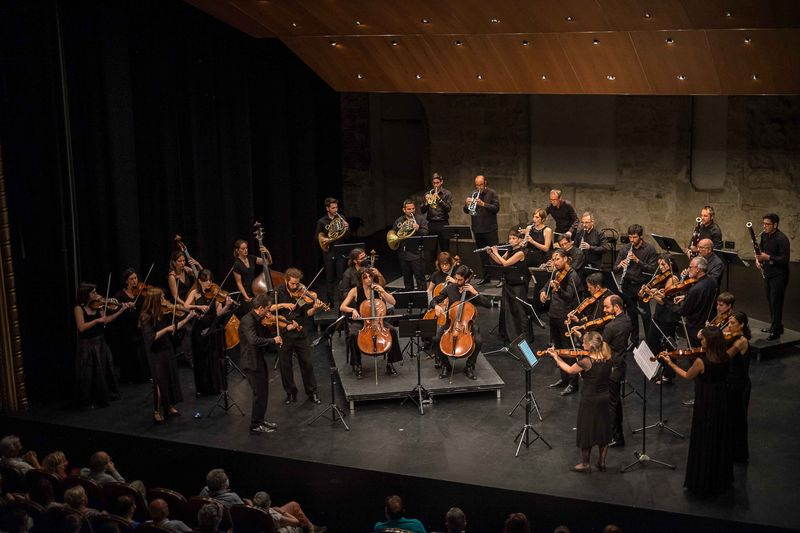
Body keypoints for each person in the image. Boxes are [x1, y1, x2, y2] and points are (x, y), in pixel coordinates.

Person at [658, 327, 733, 498]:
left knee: (704, 437)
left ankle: (702, 479)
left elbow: (686, 375)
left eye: (704, 339)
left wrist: (670, 363)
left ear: (710, 341)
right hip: (721, 399)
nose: (701, 342)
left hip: (706, 400)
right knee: (718, 436)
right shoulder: (726, 356)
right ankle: (719, 478)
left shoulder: (701, 362)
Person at [545, 331, 612, 472]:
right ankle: (602, 463)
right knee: (603, 430)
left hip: (590, 400)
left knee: (586, 430)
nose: (582, 344)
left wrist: (556, 357)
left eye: (584, 343)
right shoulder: (607, 357)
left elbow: (569, 370)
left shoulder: (586, 362)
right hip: (605, 398)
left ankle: (585, 464)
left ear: (589, 346)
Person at [139, 287, 196, 423]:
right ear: (155, 300)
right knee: (159, 381)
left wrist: (188, 317)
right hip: (155, 352)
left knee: (170, 377)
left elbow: (175, 327)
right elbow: (150, 338)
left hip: (167, 348)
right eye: (162, 298)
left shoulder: (163, 313)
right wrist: (166, 329)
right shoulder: (146, 317)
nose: (164, 300)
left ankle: (169, 406)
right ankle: (157, 410)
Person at [73, 282, 131, 409]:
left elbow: (106, 320)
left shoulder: (99, 307)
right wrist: (97, 320)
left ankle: (102, 397)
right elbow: (81, 327)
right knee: (89, 373)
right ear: (85, 294)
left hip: (100, 342)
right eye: (93, 292)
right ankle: (88, 400)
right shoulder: (79, 308)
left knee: (103, 370)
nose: (97, 294)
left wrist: (121, 310)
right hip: (87, 345)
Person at [429, 265, 493, 380]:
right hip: (451, 323)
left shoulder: (471, 291)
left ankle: (469, 366)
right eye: (456, 278)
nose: (457, 281)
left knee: (478, 341)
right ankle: (445, 365)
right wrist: (436, 306)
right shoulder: (450, 288)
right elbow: (435, 300)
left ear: (467, 279)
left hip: (466, 324)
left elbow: (489, 305)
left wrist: (475, 293)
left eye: (460, 280)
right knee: (436, 338)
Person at [340, 268, 403, 377]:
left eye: (370, 277)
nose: (369, 279)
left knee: (392, 331)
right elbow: (342, 306)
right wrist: (353, 310)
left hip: (378, 321)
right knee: (353, 334)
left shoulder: (377, 288)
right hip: (362, 321)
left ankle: (390, 363)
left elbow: (393, 302)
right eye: (365, 278)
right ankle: (357, 364)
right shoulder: (355, 290)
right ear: (361, 279)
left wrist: (382, 291)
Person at [272, 269, 322, 404]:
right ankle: (290, 393)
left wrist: (316, 308)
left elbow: (308, 313)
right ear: (286, 280)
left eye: (297, 284)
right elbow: (268, 308)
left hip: (299, 331)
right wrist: (283, 304)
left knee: (307, 363)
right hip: (284, 333)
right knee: (285, 366)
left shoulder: (302, 292)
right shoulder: (278, 291)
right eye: (292, 284)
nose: (295, 287)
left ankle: (312, 392)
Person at [184, 269, 235, 396]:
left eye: (210, 280)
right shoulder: (195, 292)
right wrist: (198, 307)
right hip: (199, 328)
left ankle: (215, 387)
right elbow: (185, 306)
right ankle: (202, 388)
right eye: (206, 281)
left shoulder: (215, 293)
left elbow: (219, 313)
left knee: (213, 357)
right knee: (201, 358)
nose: (209, 283)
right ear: (200, 281)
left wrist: (227, 305)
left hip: (212, 328)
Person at [238, 293, 283, 434]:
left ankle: (261, 420)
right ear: (261, 308)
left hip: (258, 359)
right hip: (251, 362)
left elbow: (262, 334)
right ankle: (255, 424)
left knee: (263, 392)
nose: (269, 311)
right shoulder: (248, 320)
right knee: (259, 394)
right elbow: (253, 340)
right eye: (268, 309)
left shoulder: (258, 318)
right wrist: (273, 340)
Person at [539, 250, 581, 395]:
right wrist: (543, 292)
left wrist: (558, 289)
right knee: (558, 348)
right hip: (554, 314)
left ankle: (573, 383)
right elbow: (546, 285)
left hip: (565, 317)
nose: (555, 262)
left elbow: (570, 296)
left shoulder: (572, 275)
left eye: (557, 259)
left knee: (569, 350)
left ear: (565, 259)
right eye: (553, 259)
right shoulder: (555, 272)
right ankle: (564, 378)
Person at [653, 256, 717, 348]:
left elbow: (682, 311)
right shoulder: (712, 281)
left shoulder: (695, 289)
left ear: (698, 269)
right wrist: (686, 296)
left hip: (695, 326)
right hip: (707, 322)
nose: (688, 269)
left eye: (690, 267)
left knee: (694, 353)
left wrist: (665, 299)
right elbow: (703, 296)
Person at [613, 224, 658, 345]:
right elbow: (615, 269)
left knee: (646, 315)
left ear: (640, 236)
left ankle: (650, 343)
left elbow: (653, 269)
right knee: (632, 315)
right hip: (627, 286)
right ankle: (634, 341)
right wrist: (620, 265)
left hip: (642, 286)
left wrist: (638, 261)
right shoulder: (625, 249)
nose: (632, 240)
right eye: (630, 237)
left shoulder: (650, 249)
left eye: (634, 237)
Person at [487, 229, 532, 344]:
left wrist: (496, 252)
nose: (510, 241)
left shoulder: (521, 252)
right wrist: (491, 254)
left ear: (520, 240)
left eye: (514, 238)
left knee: (519, 310)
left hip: (518, 285)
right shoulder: (510, 249)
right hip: (509, 282)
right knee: (508, 309)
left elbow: (506, 263)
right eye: (510, 238)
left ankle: (523, 334)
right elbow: (500, 261)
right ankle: (508, 333)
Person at [644, 254, 681, 383]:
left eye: (664, 264)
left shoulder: (673, 278)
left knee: (668, 345)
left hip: (668, 316)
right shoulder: (663, 277)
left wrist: (650, 293)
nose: (661, 267)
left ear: (671, 265)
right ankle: (661, 366)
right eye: (660, 265)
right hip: (660, 314)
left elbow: (663, 301)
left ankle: (668, 373)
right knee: (652, 339)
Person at [601, 295, 632, 448]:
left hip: (612, 367)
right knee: (615, 401)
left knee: (612, 403)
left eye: (606, 307)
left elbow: (603, 351)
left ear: (616, 307)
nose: (604, 310)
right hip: (621, 364)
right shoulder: (627, 320)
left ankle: (617, 436)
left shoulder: (610, 327)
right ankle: (617, 433)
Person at [111, 268, 150, 384]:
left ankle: (144, 376)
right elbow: (115, 308)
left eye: (135, 278)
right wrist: (125, 306)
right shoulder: (120, 294)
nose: (135, 281)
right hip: (126, 328)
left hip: (139, 326)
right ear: (126, 281)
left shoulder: (140, 292)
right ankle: (130, 377)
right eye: (131, 279)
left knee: (141, 351)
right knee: (130, 352)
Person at [724, 311, 752, 463]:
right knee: (732, 417)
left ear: (742, 325)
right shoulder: (733, 337)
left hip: (740, 385)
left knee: (738, 419)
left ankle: (739, 454)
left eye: (732, 323)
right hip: (732, 382)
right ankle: (731, 450)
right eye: (728, 323)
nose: (728, 326)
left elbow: (726, 356)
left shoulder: (741, 341)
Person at [757, 213, 790, 340]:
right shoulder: (765, 235)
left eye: (767, 224)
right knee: (770, 300)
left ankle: (776, 330)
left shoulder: (782, 238)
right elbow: (760, 250)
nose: (764, 226)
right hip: (768, 273)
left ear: (775, 225)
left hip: (779, 275)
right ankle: (776, 325)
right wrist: (758, 260)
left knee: (776, 302)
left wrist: (768, 257)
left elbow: (785, 259)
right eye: (764, 223)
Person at [167, 250, 202, 366]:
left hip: (188, 301)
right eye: (179, 261)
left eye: (183, 261)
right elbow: (175, 297)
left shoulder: (186, 270)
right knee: (187, 330)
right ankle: (191, 359)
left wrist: (197, 264)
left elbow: (202, 276)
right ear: (174, 262)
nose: (182, 263)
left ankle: (198, 354)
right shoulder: (172, 276)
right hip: (178, 306)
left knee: (198, 325)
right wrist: (186, 305)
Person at [463, 175, 500, 284]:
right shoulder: (473, 194)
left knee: (494, 255)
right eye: (477, 185)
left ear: (485, 183)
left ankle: (499, 279)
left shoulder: (492, 193)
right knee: (482, 256)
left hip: (490, 229)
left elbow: (496, 208)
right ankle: (486, 277)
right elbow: (466, 210)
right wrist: (466, 204)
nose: (479, 187)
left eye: (481, 184)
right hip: (477, 229)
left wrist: (483, 204)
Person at [314, 197, 350, 306]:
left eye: (336, 207)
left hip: (340, 251)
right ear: (327, 208)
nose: (336, 210)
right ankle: (330, 301)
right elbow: (317, 238)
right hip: (328, 251)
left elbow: (347, 237)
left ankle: (341, 300)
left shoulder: (341, 218)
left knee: (340, 277)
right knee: (329, 277)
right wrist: (327, 240)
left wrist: (347, 229)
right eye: (333, 208)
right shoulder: (321, 221)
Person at [392, 199, 429, 290]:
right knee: (407, 279)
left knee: (420, 279)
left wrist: (418, 229)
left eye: (413, 208)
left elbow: (426, 232)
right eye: (409, 209)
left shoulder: (420, 219)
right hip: (403, 254)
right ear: (404, 210)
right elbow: (394, 234)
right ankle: (410, 300)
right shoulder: (399, 221)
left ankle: (422, 298)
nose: (411, 211)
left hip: (417, 254)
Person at [252, 491, 326, 533]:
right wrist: (281, 511)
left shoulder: (253, 510)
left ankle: (310, 526)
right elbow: (295, 521)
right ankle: (311, 529)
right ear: (269, 503)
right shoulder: (274, 514)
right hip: (275, 524)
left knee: (294, 505)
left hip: (267, 520)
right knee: (295, 509)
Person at [420, 172, 453, 258]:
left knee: (445, 250)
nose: (436, 185)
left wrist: (439, 199)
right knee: (431, 250)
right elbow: (422, 211)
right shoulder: (428, 193)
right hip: (431, 224)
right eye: (434, 183)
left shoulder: (447, 193)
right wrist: (426, 202)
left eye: (437, 183)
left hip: (443, 223)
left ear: (441, 182)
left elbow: (448, 209)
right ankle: (433, 270)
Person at [232, 238, 272, 306]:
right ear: (237, 250)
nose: (245, 250)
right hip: (247, 293)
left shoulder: (251, 258)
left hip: (255, 290)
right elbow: (239, 283)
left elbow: (268, 262)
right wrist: (246, 296)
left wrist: (267, 252)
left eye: (246, 248)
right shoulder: (237, 264)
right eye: (243, 249)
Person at [573, 212, 609, 276]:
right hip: (581, 265)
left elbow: (605, 248)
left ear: (592, 222)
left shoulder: (599, 233)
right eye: (582, 222)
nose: (584, 225)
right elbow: (574, 247)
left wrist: (590, 247)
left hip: (595, 265)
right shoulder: (579, 233)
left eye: (586, 222)